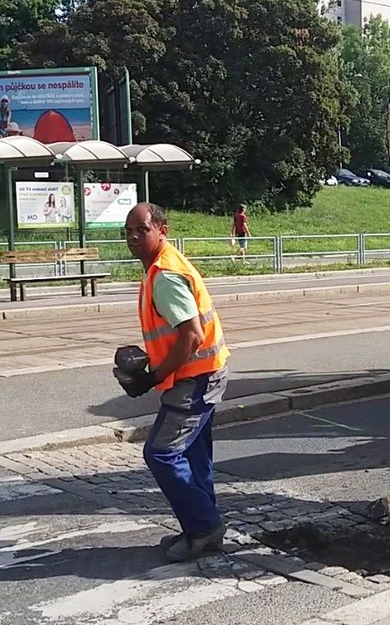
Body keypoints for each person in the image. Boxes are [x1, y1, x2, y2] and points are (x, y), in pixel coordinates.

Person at [117, 202, 231, 562]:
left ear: (162, 231)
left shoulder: (164, 274)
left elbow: (192, 335)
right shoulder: (162, 266)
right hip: (204, 372)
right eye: (129, 231)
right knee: (195, 455)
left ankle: (204, 526)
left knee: (161, 453)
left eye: (142, 230)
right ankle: (201, 531)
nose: (134, 237)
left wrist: (154, 376)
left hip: (194, 378)